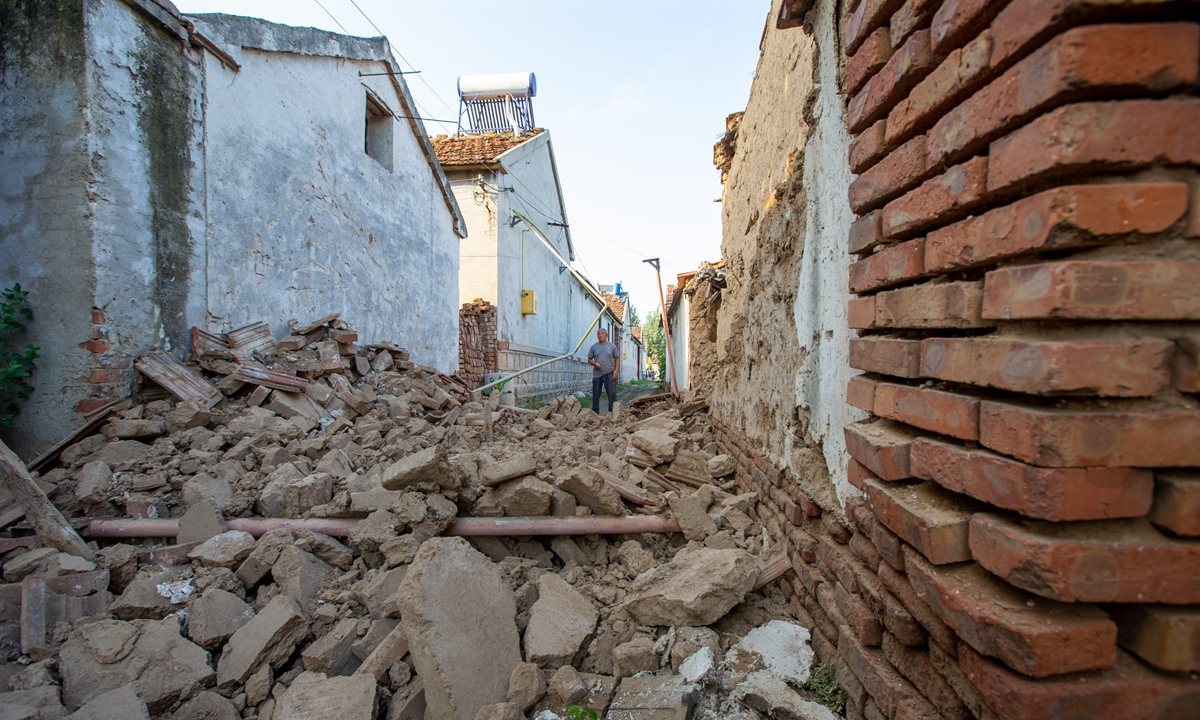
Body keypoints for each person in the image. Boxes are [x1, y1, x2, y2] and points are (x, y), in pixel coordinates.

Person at [587, 328, 620, 414]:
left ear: (606, 335)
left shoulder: (612, 346)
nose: (600, 335)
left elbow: (617, 358)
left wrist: (616, 371)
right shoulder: (593, 347)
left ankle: (612, 413)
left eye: (602, 333)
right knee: (596, 394)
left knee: (612, 394)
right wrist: (595, 364)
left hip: (610, 373)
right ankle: (595, 413)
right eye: (598, 334)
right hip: (597, 374)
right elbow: (589, 359)